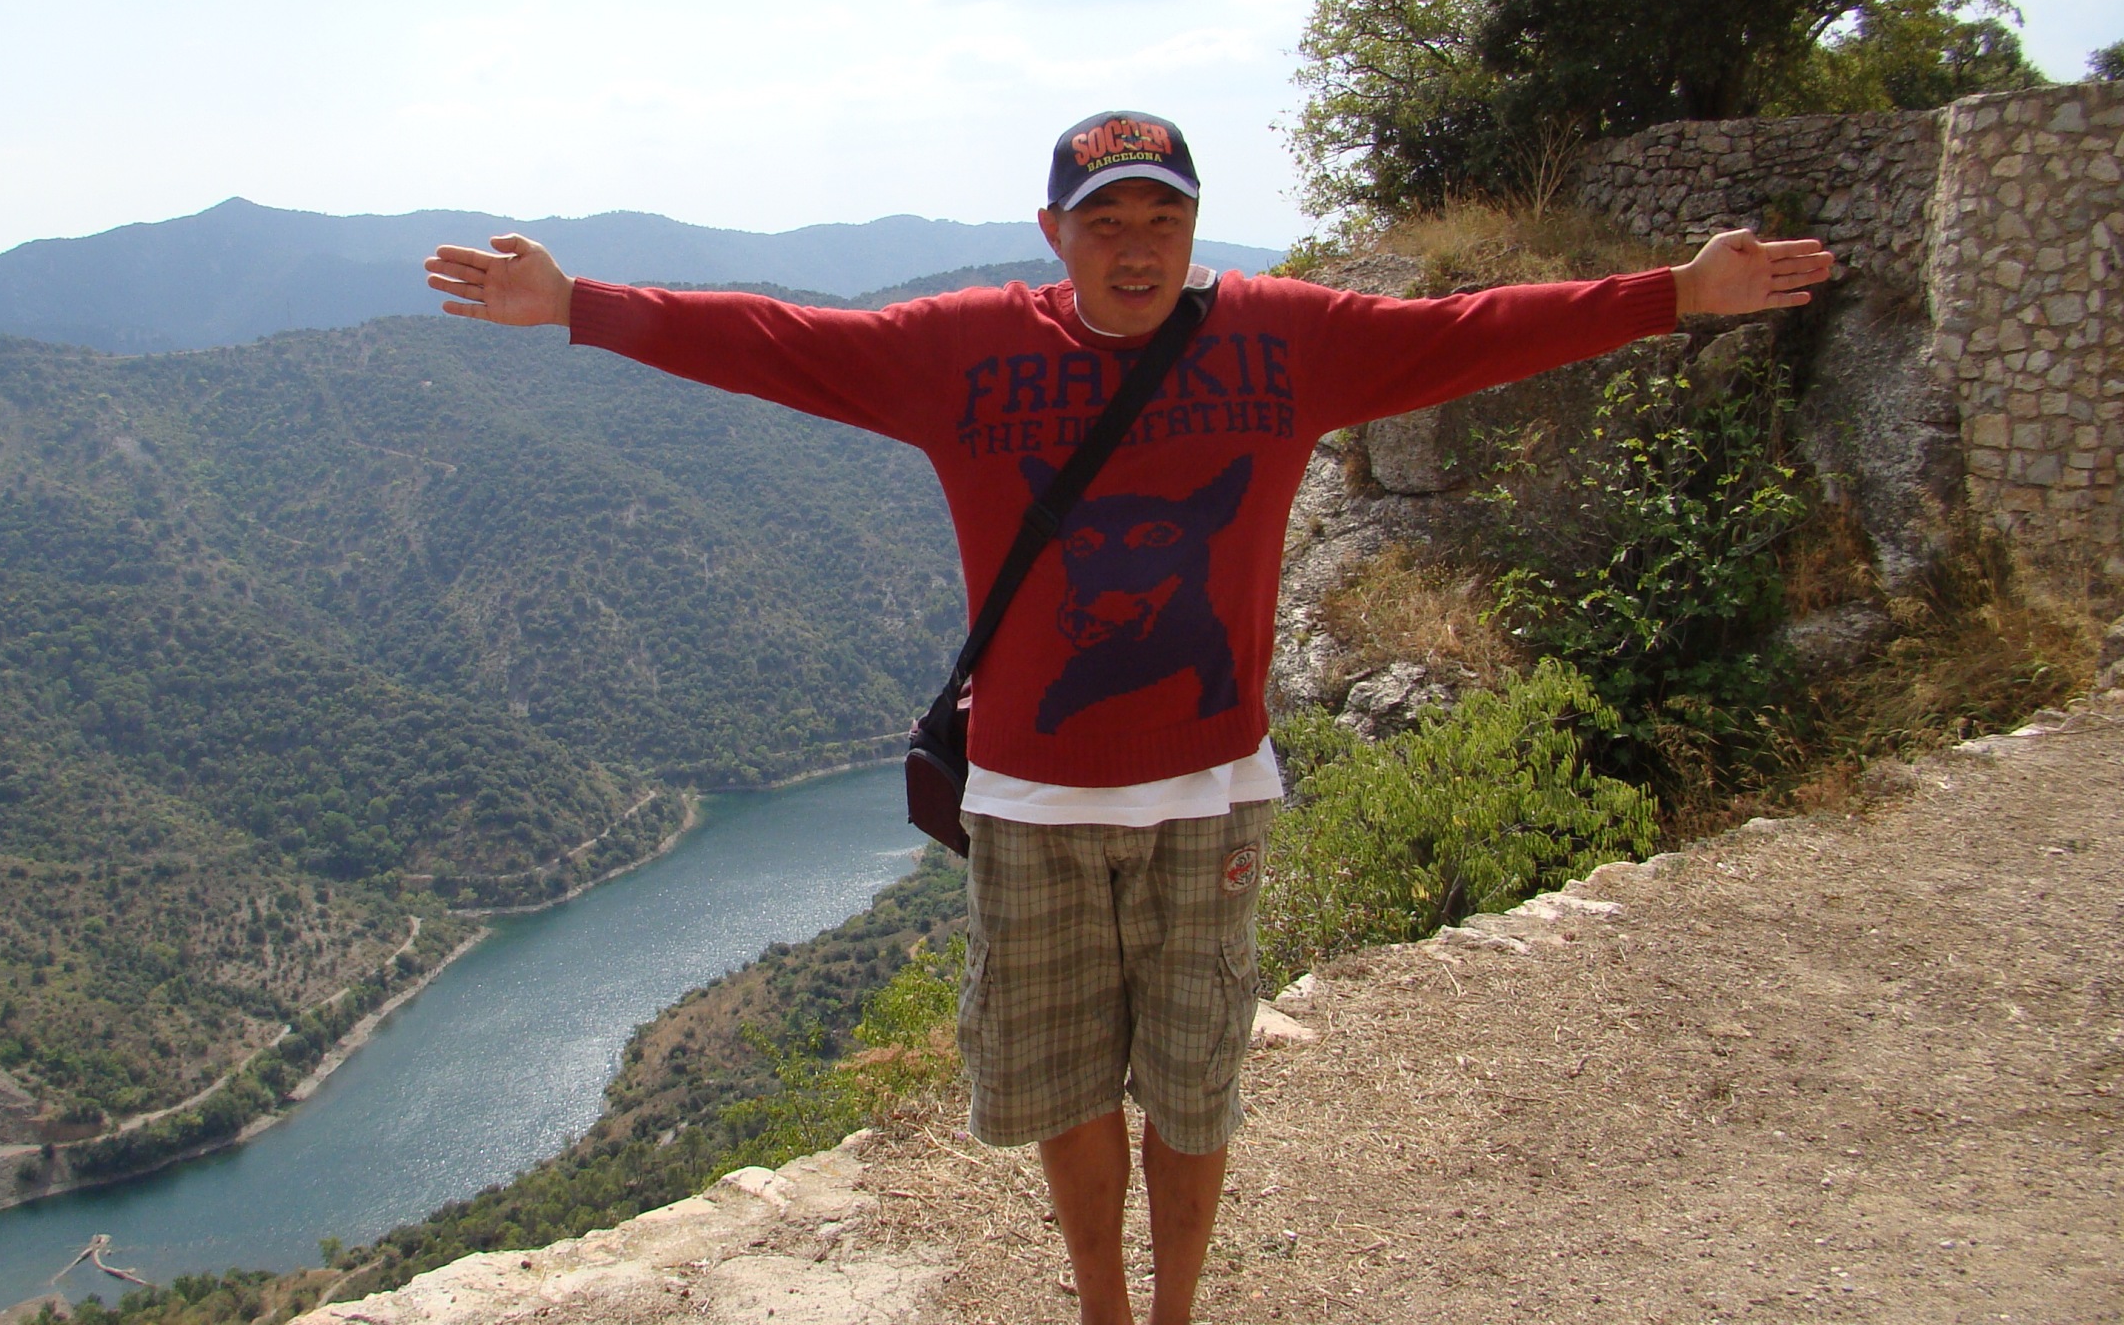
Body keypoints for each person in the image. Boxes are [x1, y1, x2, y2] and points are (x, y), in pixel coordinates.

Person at [425, 111, 1831, 1325]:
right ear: (1056, 233)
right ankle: (1103, 1305)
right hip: (1029, 798)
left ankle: (1173, 1313)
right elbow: (780, 341)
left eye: (1164, 218)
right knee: (1064, 1085)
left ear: (1197, 226)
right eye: (1107, 223)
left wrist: (1673, 295)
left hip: (1209, 792)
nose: (1138, 248)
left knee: (1196, 1084)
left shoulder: (1288, 340)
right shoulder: (965, 350)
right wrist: (579, 304)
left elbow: (1473, 333)